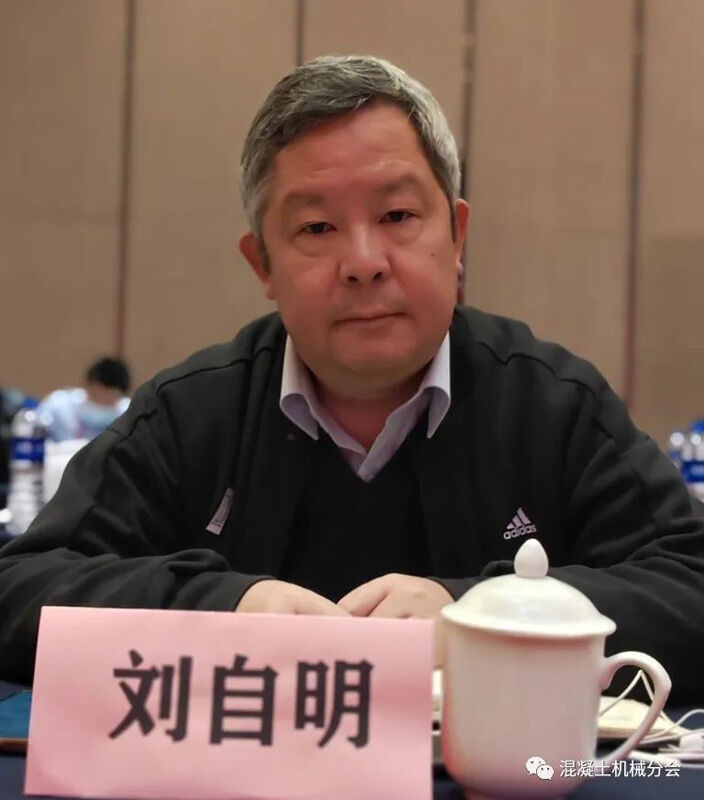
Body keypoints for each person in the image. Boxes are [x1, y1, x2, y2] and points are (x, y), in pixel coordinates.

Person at [0, 56, 703, 701]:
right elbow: (21, 592)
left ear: (457, 235)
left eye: (397, 215)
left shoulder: (551, 404)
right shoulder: (192, 415)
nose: (364, 262)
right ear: (262, 264)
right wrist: (222, 612)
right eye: (316, 228)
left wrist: (479, 617)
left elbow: (689, 584)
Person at [38, 357, 131, 442]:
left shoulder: (128, 412)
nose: (103, 400)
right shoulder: (59, 405)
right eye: (100, 393)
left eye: (110, 398)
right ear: (89, 385)